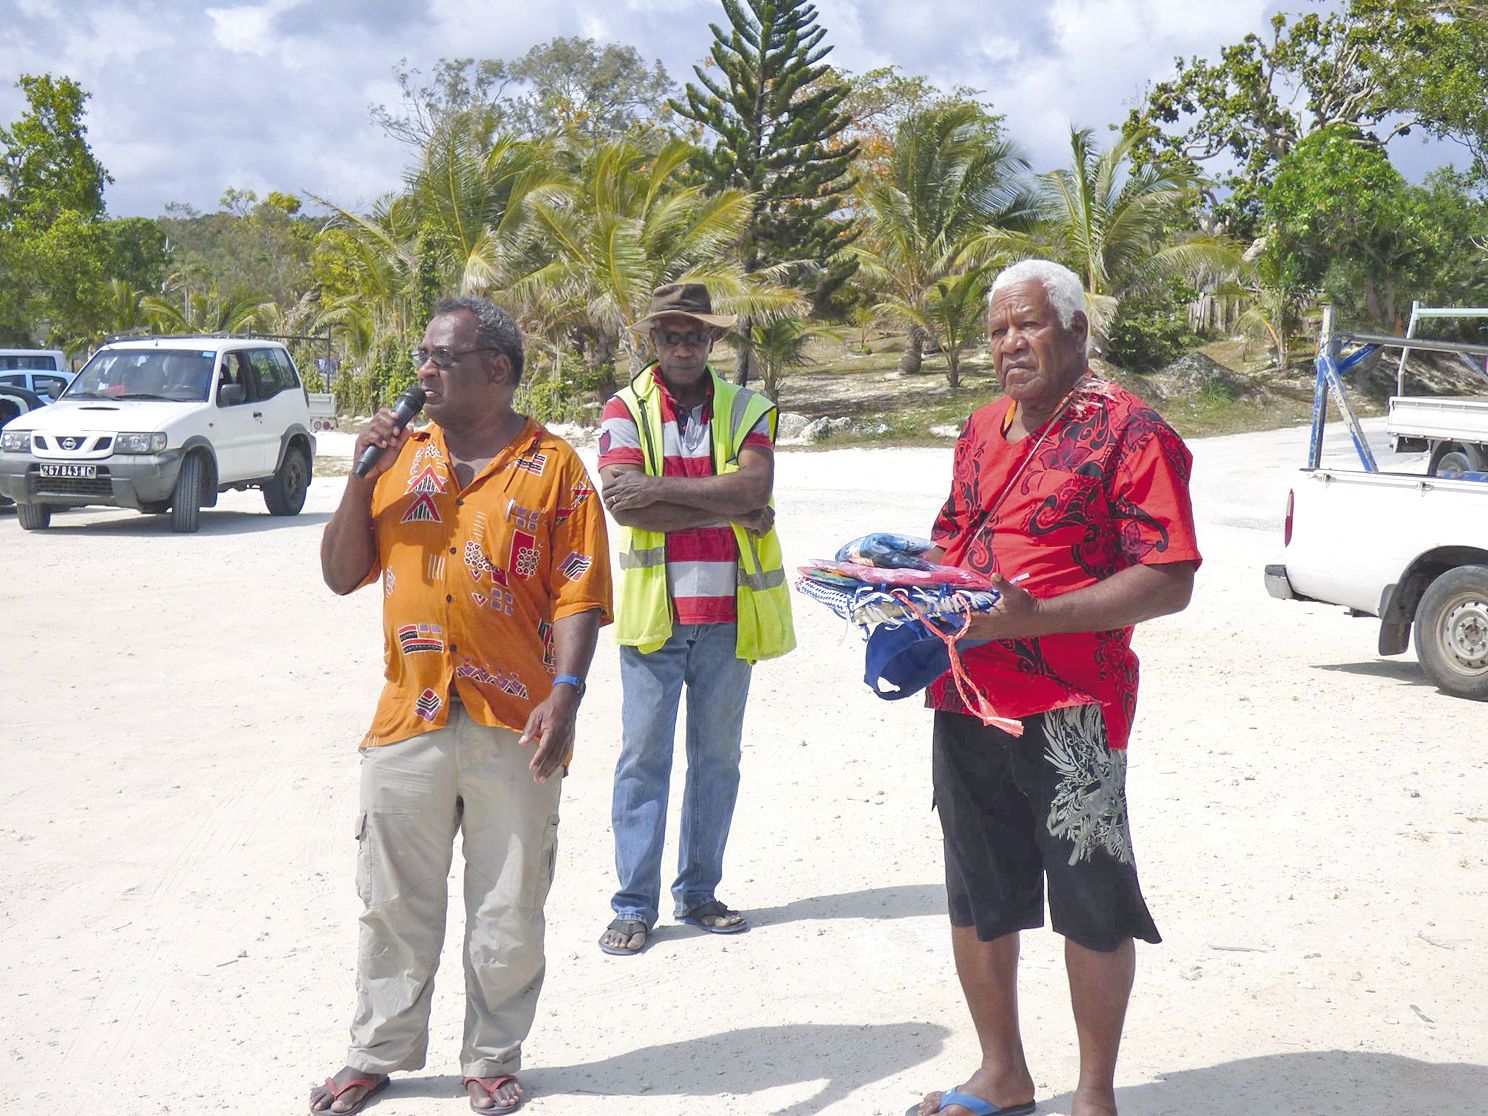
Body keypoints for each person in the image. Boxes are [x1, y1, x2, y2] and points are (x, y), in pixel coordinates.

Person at [909, 260, 1201, 1116]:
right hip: (966, 693)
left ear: (1076, 330)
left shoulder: (1131, 432)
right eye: (998, 330)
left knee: (1092, 900)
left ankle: (1094, 1096)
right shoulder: (980, 426)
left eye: (1028, 325)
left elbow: (1170, 575)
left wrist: (1029, 620)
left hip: (1075, 707)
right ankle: (1002, 1075)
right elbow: (951, 542)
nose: (1009, 344)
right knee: (978, 892)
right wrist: (897, 579)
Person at [312, 297, 612, 1115]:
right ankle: (376, 1050)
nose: (425, 372)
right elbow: (342, 574)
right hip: (408, 715)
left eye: (443, 357)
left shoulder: (554, 467)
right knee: (393, 896)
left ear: (498, 370)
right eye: (423, 355)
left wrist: (567, 694)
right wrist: (358, 478)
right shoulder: (400, 457)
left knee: (508, 897)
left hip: (516, 720)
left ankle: (492, 1054)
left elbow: (579, 594)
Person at [595, 282, 795, 956]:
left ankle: (699, 893)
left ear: (712, 342)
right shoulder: (623, 409)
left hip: (729, 615)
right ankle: (633, 907)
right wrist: (727, 508)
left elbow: (754, 487)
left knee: (716, 762)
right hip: (656, 615)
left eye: (692, 336)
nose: (680, 347)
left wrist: (665, 490)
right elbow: (625, 507)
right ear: (653, 341)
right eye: (668, 336)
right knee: (642, 762)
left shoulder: (747, 408)